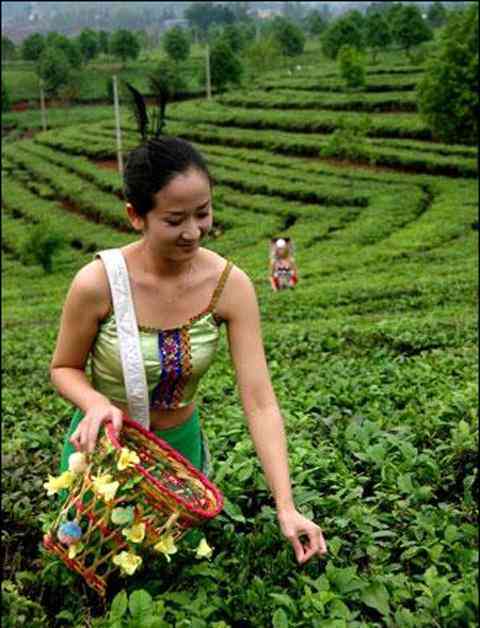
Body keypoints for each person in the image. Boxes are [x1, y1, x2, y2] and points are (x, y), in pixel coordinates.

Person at [50, 136, 327, 565]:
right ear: (135, 216)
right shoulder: (97, 282)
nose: (193, 232)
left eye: (203, 214)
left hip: (180, 458)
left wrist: (285, 505)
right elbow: (64, 367)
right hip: (101, 452)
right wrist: (95, 403)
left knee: (171, 574)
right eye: (175, 219)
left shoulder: (229, 286)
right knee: (93, 568)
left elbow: (259, 401)